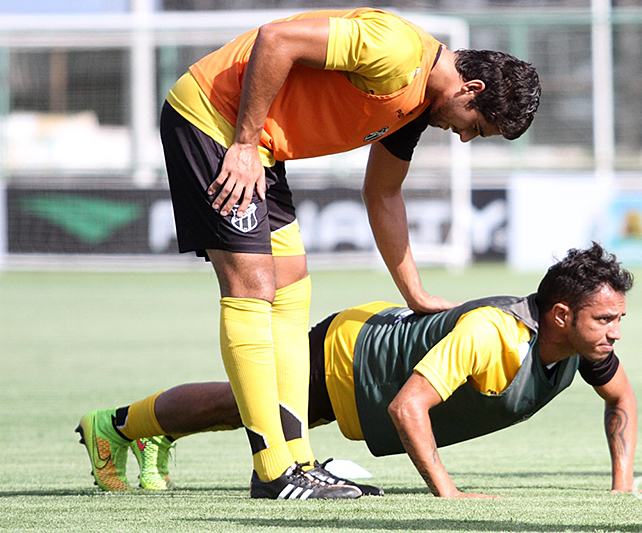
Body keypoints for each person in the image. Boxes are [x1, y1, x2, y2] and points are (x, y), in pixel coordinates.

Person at [155, 7, 541, 499]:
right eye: (475, 127)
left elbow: (382, 193)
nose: (464, 136)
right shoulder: (396, 49)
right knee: (253, 287)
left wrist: (415, 293)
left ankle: (298, 461)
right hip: (215, 121)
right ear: (472, 90)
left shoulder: (418, 107)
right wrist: (246, 143)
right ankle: (273, 472)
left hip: (260, 147)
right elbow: (276, 39)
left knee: (293, 290)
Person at [77, 243, 636, 499]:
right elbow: (406, 407)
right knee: (245, 407)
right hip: (357, 353)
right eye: (605, 318)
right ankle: (116, 426)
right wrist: (449, 493)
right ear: (561, 315)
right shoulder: (492, 333)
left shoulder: (584, 349)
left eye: (618, 319)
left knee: (246, 409)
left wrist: (621, 486)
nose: (614, 331)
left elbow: (622, 402)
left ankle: (154, 433)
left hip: (375, 358)